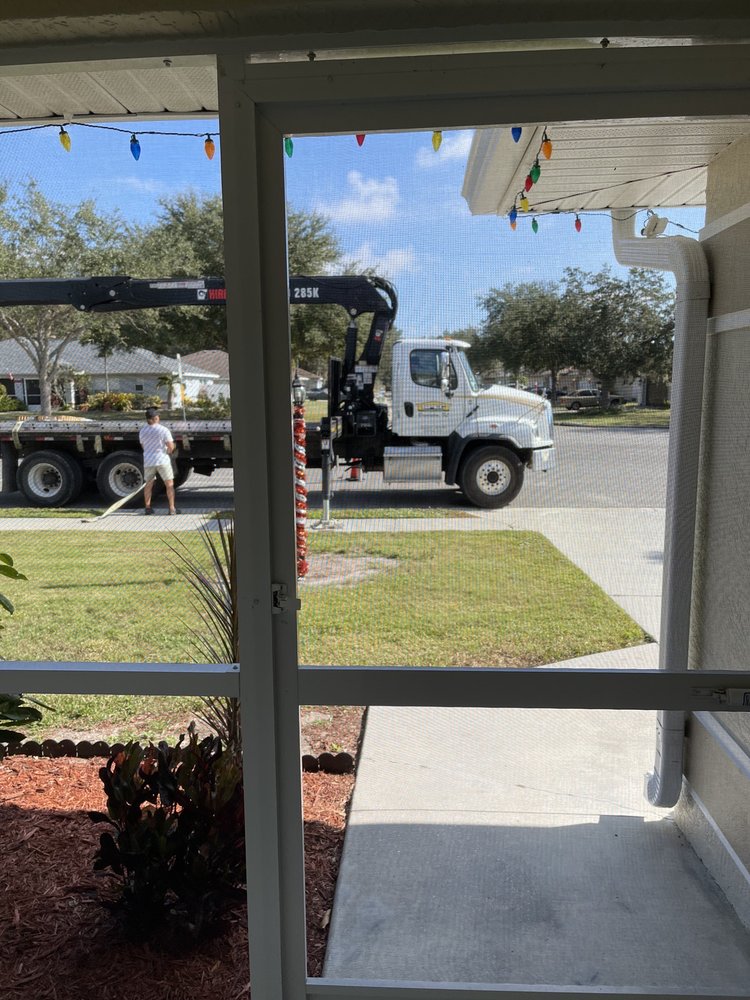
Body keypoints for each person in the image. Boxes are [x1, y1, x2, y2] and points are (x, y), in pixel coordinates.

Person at [139, 407, 178, 515]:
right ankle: (171, 508)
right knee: (169, 483)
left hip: (148, 460)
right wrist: (170, 450)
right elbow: (170, 446)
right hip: (162, 459)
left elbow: (143, 446)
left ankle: (147, 507)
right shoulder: (163, 430)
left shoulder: (143, 431)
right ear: (156, 418)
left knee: (149, 484)